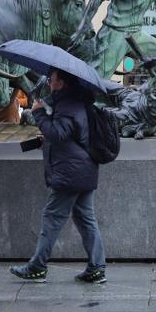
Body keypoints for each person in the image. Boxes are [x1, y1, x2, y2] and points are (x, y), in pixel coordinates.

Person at [9, 68, 106, 284]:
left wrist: (39, 113)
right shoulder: (76, 102)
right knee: (86, 219)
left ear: (61, 83)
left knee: (52, 218)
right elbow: (67, 135)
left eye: (52, 80)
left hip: (71, 173)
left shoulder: (68, 105)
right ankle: (97, 267)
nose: (49, 83)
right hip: (83, 169)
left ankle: (37, 267)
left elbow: (58, 134)